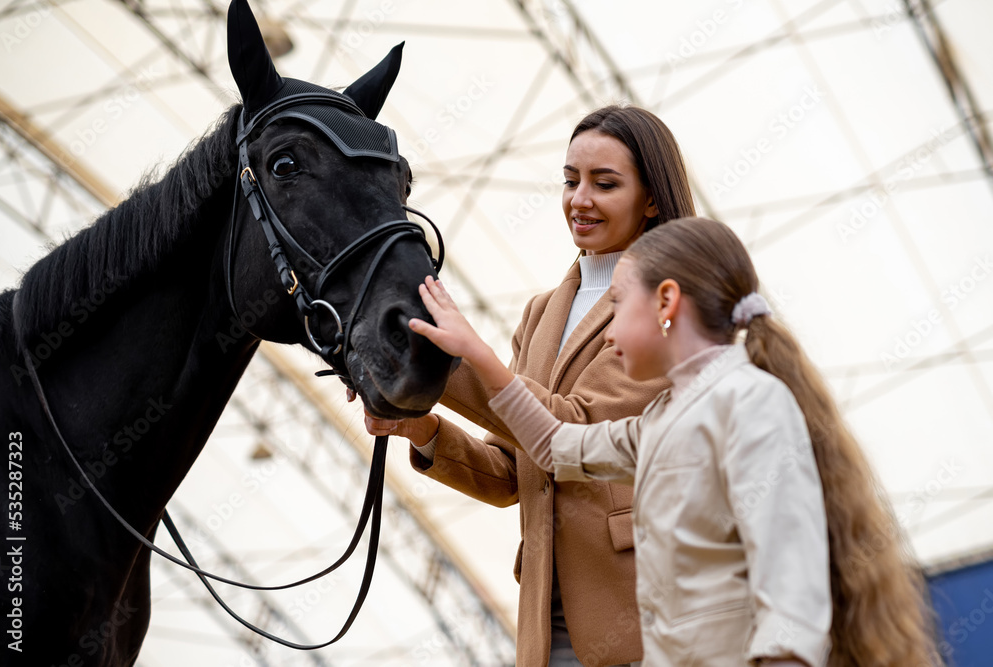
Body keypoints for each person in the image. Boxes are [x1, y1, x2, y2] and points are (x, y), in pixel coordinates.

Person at [402, 216, 941, 666]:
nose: (607, 332)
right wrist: (470, 354)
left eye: (616, 304)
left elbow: (791, 599)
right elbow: (554, 447)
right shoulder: (664, 417)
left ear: (666, 302)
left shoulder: (751, 404)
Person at [365, 105, 695, 666]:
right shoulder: (543, 312)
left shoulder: (670, 303)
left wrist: (452, 361)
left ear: (654, 198)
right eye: (570, 181)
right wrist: (419, 427)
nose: (579, 199)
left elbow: (575, 430)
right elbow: (509, 472)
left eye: (604, 183)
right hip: (547, 612)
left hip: (638, 610)